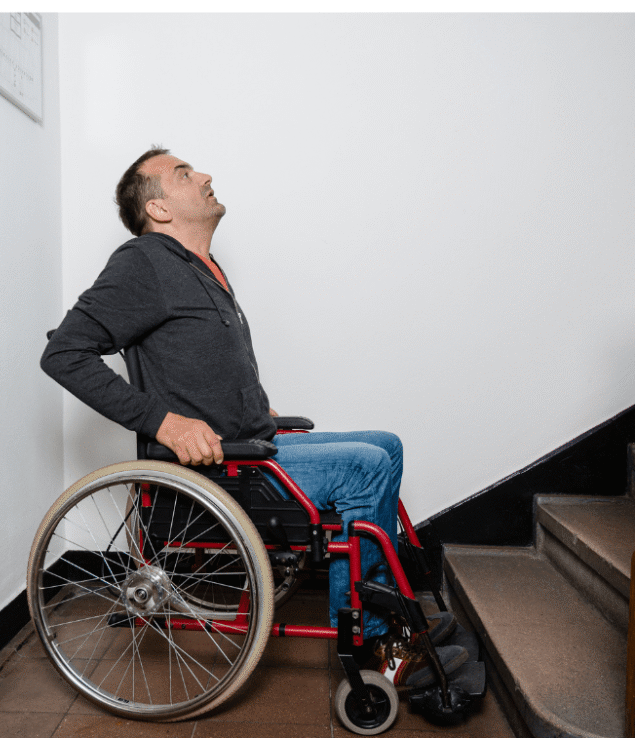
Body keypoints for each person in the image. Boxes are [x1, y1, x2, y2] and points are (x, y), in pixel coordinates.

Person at [41, 147, 467, 686]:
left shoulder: (203, 271)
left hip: (253, 445)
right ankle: (377, 642)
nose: (205, 176)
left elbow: (194, 361)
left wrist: (251, 404)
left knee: (386, 444)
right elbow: (65, 354)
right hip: (216, 473)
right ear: (159, 210)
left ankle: (394, 609)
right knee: (364, 466)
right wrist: (164, 423)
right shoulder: (144, 262)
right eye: (183, 174)